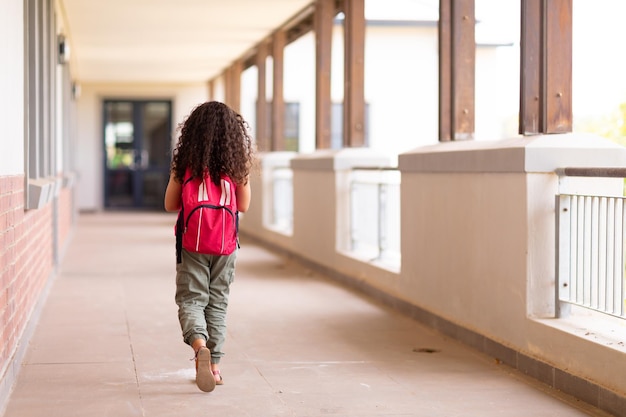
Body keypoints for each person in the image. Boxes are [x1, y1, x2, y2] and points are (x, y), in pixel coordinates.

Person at [164, 101, 254, 392]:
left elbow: (169, 205)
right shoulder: (237, 167)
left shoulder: (185, 165)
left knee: (192, 300)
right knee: (218, 303)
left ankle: (199, 344)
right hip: (226, 245)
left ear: (193, 133)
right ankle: (214, 368)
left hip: (192, 243)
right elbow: (245, 206)